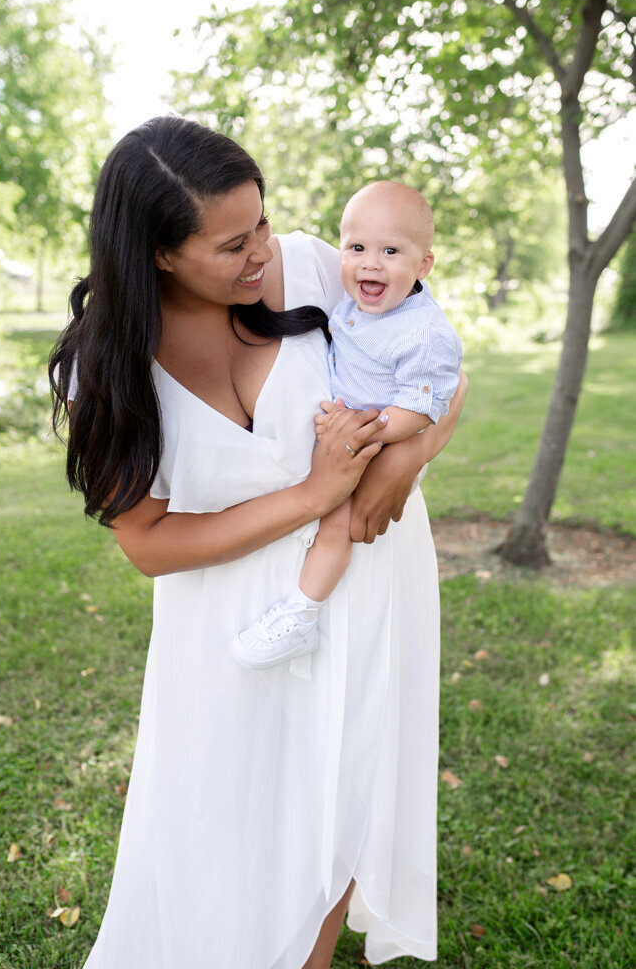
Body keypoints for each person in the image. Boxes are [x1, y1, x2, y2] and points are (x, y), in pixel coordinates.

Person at [49, 114, 467, 969]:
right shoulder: (112, 362)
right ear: (160, 253)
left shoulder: (321, 264)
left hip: (368, 583)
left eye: (262, 225)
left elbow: (439, 370)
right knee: (221, 825)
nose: (262, 253)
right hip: (228, 622)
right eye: (231, 243)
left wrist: (406, 459)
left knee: (340, 808)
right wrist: (314, 493)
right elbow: (149, 543)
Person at [230, 181, 462, 670]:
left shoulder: (424, 332)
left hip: (371, 442)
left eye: (391, 251)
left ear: (424, 265)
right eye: (357, 247)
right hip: (351, 433)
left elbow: (423, 406)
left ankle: (301, 614)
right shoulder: (357, 304)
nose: (370, 263)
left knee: (335, 523)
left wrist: (365, 432)